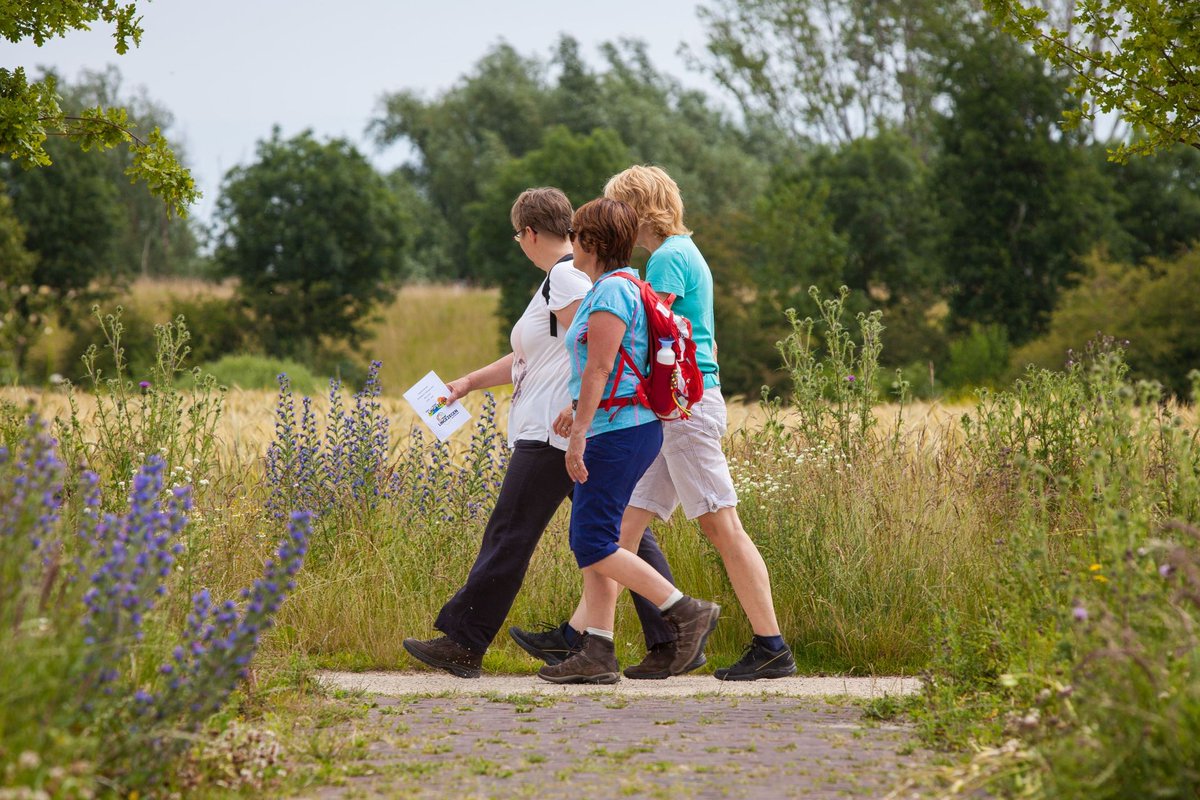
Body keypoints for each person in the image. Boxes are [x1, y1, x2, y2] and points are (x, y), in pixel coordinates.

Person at [402, 187, 681, 678]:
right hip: (567, 428)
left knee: (511, 533)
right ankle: (672, 637)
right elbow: (537, 355)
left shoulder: (567, 278)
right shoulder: (565, 280)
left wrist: (578, 413)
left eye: (518, 235)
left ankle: (465, 643)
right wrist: (468, 383)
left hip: (558, 432)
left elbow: (598, 353)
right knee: (615, 534)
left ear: (530, 233)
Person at [562, 165, 798, 681]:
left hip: (683, 409)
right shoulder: (681, 252)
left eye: (620, 207)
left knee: (722, 526)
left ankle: (771, 645)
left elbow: (643, 337)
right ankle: (581, 638)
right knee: (623, 528)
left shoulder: (669, 258)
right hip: (670, 410)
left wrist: (589, 399)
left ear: (637, 208)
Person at [536, 197, 720, 685]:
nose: (571, 243)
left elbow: (599, 367)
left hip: (618, 431)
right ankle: (598, 649)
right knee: (596, 540)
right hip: (621, 425)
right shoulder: (626, 287)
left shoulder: (610, 293)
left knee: (593, 541)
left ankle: (685, 611)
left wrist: (578, 435)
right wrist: (578, 413)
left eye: (576, 235)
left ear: (592, 242)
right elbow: (613, 369)